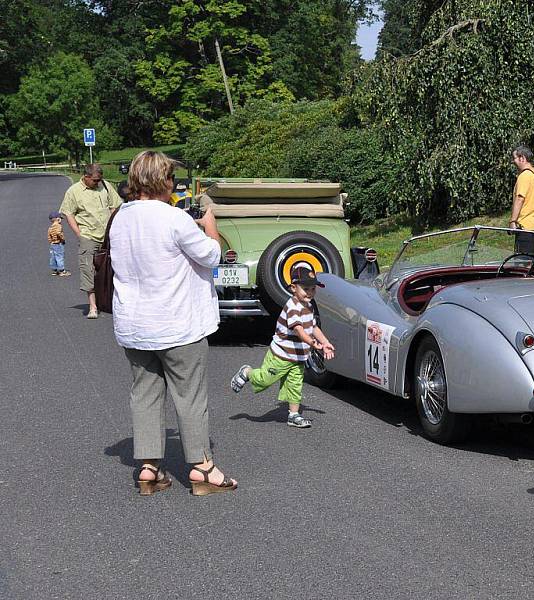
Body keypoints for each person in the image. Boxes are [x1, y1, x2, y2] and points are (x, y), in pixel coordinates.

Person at [110, 150, 237, 496]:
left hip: (135, 325)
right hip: (177, 322)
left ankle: (149, 466)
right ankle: (202, 468)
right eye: (171, 178)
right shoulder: (175, 219)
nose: (174, 184)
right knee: (189, 396)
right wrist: (210, 228)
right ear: (162, 180)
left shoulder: (120, 217)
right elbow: (210, 256)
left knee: (145, 394)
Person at [230, 267, 335, 428]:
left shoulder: (309, 306)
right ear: (293, 288)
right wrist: (315, 345)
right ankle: (247, 372)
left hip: (298, 357)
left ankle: (293, 415)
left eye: (313, 289)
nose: (310, 292)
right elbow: (299, 331)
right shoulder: (292, 307)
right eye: (305, 289)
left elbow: (313, 327)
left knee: (295, 385)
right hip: (281, 354)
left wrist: (325, 342)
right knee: (264, 379)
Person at [59, 164, 122, 318]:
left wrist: (114, 227)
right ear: (86, 177)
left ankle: (112, 301)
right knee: (88, 270)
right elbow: (68, 213)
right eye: (95, 180)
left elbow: (115, 207)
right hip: (88, 235)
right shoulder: (74, 191)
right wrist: (79, 234)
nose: (97, 182)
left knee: (113, 268)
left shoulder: (105, 186)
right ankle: (93, 306)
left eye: (99, 179)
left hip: (108, 235)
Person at [509, 145, 534, 258]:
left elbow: (520, 199)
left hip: (525, 226)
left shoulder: (524, 176)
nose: (513, 161)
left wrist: (513, 221)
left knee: (522, 263)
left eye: (514, 158)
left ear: (522, 158)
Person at [47, 211, 71, 277]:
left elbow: (49, 236)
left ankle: (54, 270)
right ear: (58, 219)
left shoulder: (50, 228)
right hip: (58, 243)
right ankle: (61, 270)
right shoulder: (58, 226)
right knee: (60, 256)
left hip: (52, 244)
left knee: (53, 257)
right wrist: (63, 239)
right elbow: (58, 233)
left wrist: (51, 241)